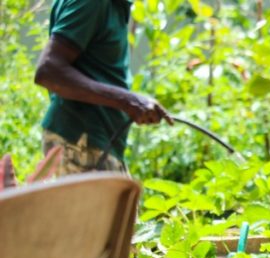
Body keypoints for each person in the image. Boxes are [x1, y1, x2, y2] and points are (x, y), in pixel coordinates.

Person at [34, 0, 171, 176]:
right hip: (81, 141)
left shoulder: (112, 5)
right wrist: (127, 100)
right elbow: (48, 70)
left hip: (98, 142)